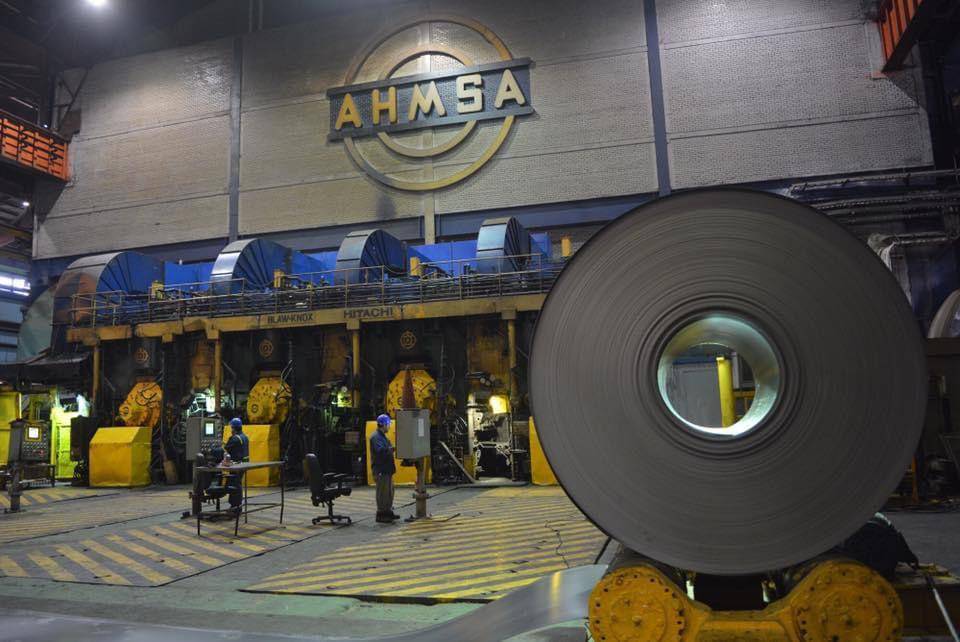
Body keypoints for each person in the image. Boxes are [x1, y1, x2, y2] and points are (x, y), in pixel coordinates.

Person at [370, 413, 399, 523]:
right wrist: (392, 449)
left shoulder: (382, 436)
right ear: (383, 424)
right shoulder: (376, 437)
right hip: (381, 470)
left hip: (387, 470)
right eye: (388, 424)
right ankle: (381, 515)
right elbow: (380, 451)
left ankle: (388, 512)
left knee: (389, 492)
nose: (389, 427)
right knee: (382, 493)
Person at [223, 418, 249, 513]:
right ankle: (237, 507)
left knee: (234, 485)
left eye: (231, 427)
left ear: (233, 428)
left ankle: (235, 507)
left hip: (236, 466)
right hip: (243, 465)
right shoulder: (245, 437)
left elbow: (226, 448)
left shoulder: (235, 438)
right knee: (237, 484)